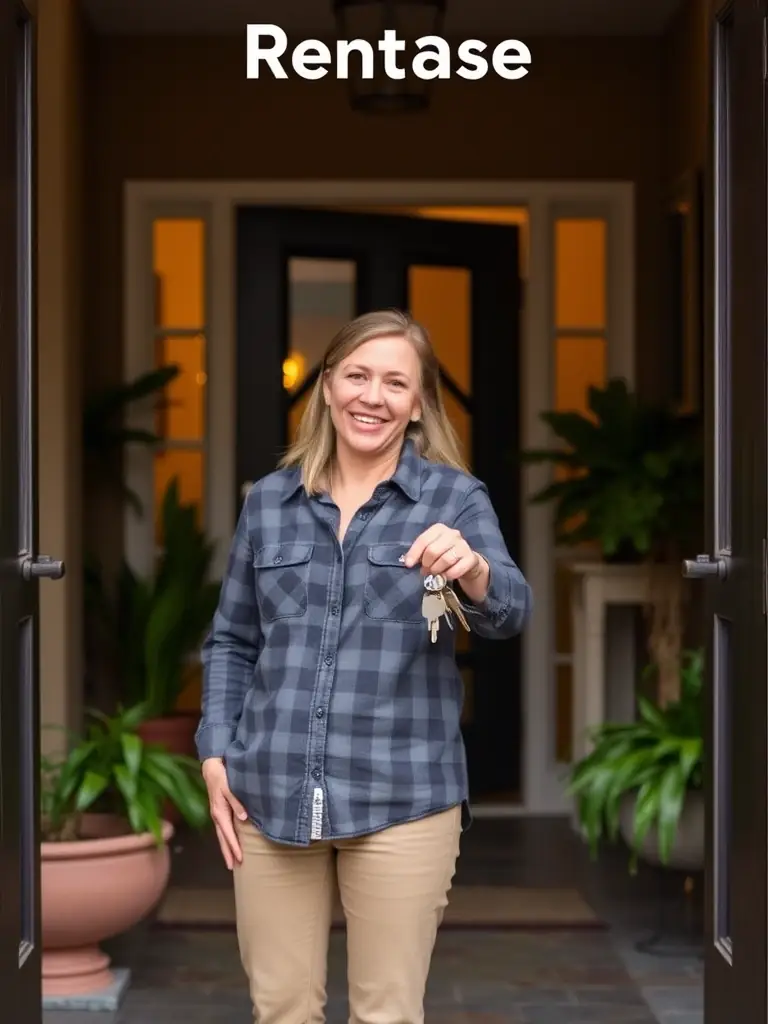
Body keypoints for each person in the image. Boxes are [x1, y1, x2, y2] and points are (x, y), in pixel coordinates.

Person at [196, 308, 533, 1024]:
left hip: (403, 797)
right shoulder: (269, 504)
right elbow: (232, 640)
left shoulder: (454, 499)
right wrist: (216, 749)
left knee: (386, 1013)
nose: (371, 397)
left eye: (394, 383)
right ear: (325, 386)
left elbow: (510, 614)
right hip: (270, 789)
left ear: (417, 405)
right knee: (281, 1007)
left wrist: (472, 568)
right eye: (356, 375)